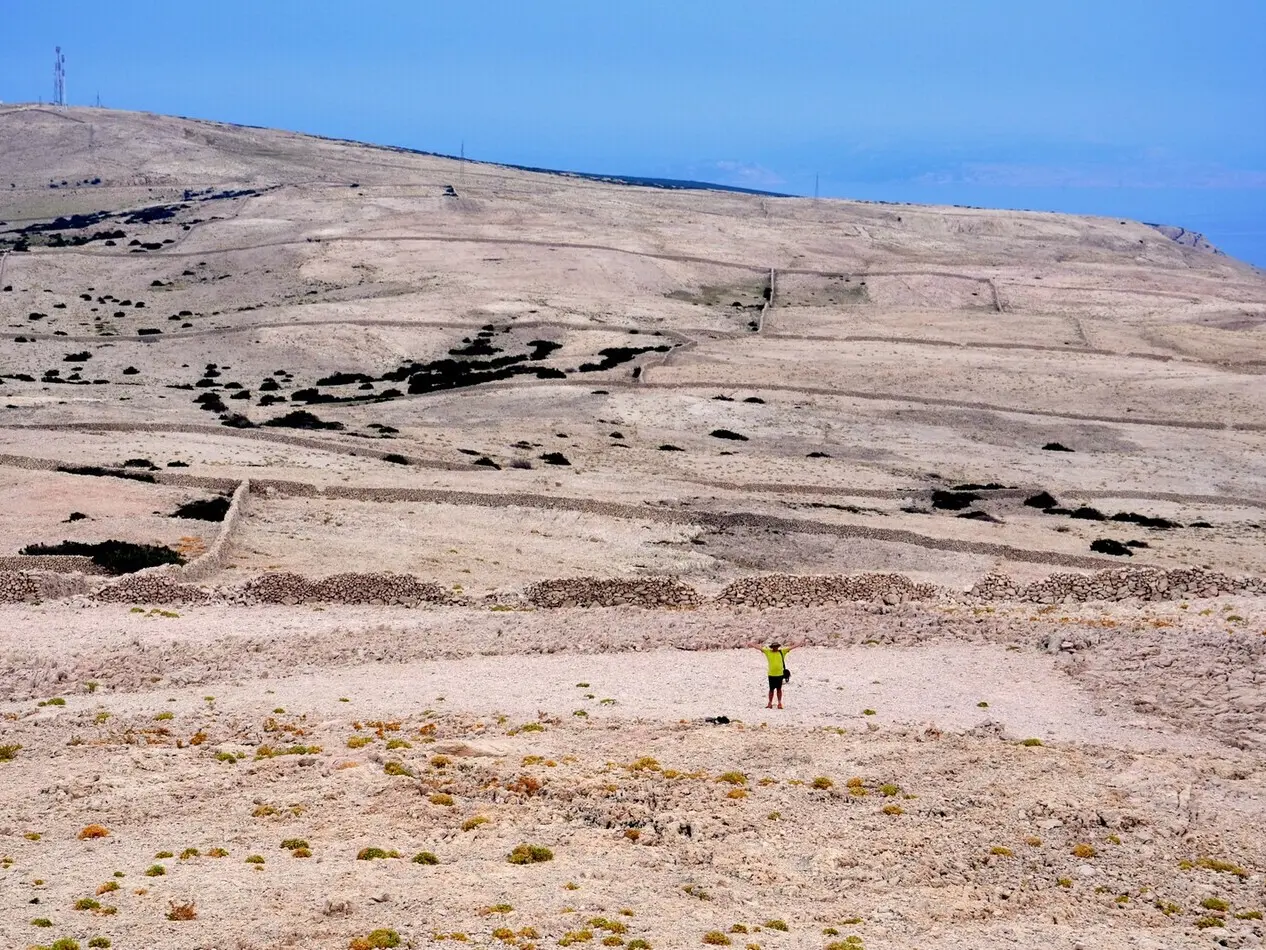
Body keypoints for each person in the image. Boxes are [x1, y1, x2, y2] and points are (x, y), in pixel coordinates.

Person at [750, 640, 798, 709]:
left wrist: (799, 644)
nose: (775, 648)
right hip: (771, 674)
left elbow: (791, 647)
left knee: (779, 689)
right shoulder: (768, 652)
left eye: (776, 647)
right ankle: (770, 703)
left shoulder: (782, 652)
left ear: (778, 647)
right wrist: (751, 644)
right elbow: (759, 648)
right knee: (771, 690)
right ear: (772, 647)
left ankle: (779, 703)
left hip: (779, 674)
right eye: (774, 647)